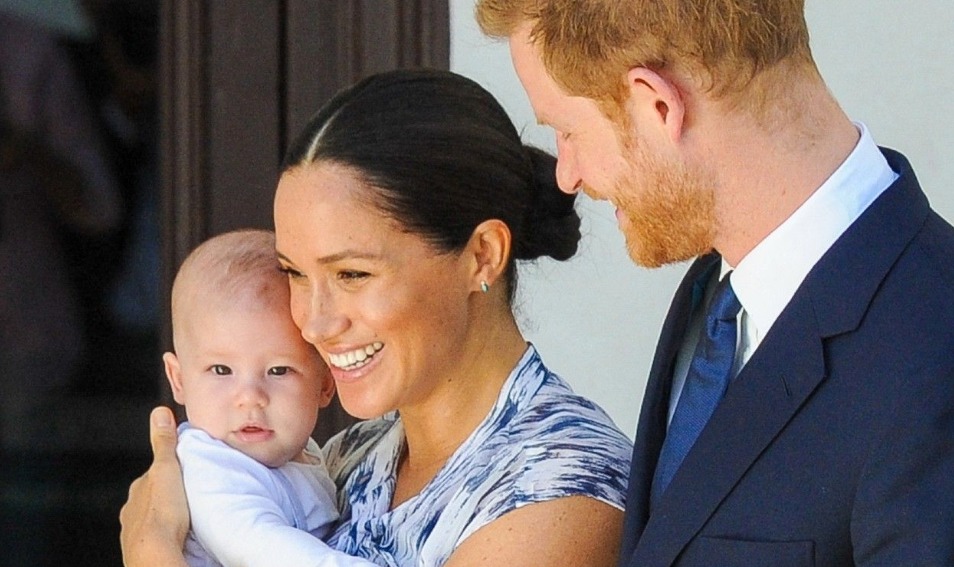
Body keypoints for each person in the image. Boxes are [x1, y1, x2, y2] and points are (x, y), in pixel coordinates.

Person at [475, 1, 954, 565]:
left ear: (658, 105)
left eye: (567, 131)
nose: (567, 174)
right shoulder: (716, 293)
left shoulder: (935, 357)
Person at [120, 69, 634, 567]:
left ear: (481, 255)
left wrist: (151, 552)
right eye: (295, 274)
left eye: (352, 275)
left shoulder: (561, 492)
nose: (315, 324)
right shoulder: (344, 458)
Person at [163, 229, 378, 567]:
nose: (250, 397)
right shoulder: (210, 471)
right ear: (179, 380)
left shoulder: (303, 455)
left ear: (325, 384)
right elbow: (263, 548)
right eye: (221, 370)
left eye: (279, 371)